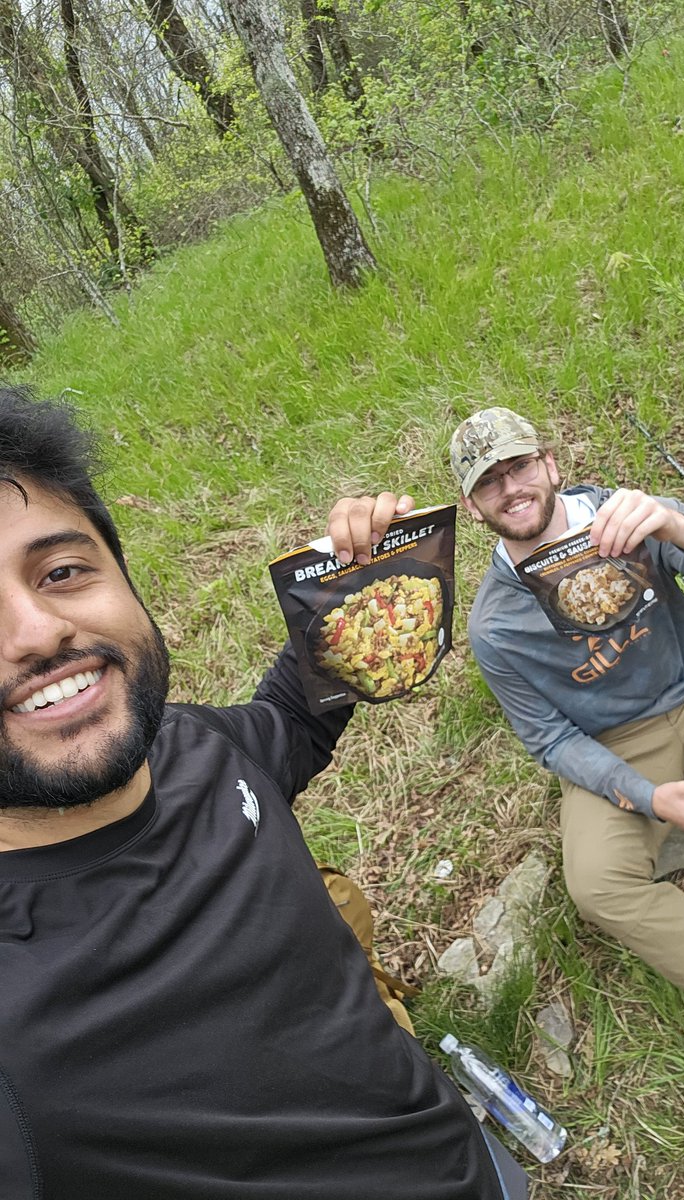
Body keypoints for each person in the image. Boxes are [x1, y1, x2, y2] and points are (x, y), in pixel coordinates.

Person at [327, 406, 684, 1167]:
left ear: (550, 463)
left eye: (519, 465)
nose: (511, 487)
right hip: (616, 742)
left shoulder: (625, 522)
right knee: (598, 884)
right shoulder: (496, 624)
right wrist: (641, 793)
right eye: (489, 482)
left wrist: (678, 526)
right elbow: (550, 738)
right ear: (472, 508)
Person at [0, 385, 529, 1200]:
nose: (36, 632)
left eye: (62, 571)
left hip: (467, 1162)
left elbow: (291, 718)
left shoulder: (193, 746)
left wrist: (349, 590)